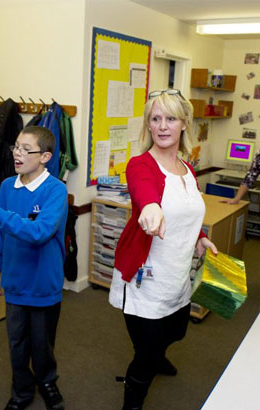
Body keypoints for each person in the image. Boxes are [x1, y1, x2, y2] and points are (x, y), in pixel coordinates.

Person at [108, 89, 218, 410]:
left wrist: (199, 237)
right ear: (148, 125)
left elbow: (186, 208)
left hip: (178, 273)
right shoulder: (141, 164)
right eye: (155, 119)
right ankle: (133, 399)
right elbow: (145, 194)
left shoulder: (187, 168)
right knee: (146, 353)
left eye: (170, 118)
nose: (162, 126)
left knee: (177, 331)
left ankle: (155, 355)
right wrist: (150, 210)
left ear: (184, 123)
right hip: (146, 279)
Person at [0, 125, 68, 410]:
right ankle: (21, 391)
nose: (18, 153)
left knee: (42, 345)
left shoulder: (56, 190)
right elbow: (0, 232)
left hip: (44, 284)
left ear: (45, 157)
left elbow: (39, 232)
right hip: (14, 282)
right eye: (16, 147)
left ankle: (48, 382)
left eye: (26, 150)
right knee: (16, 344)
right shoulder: (6, 186)